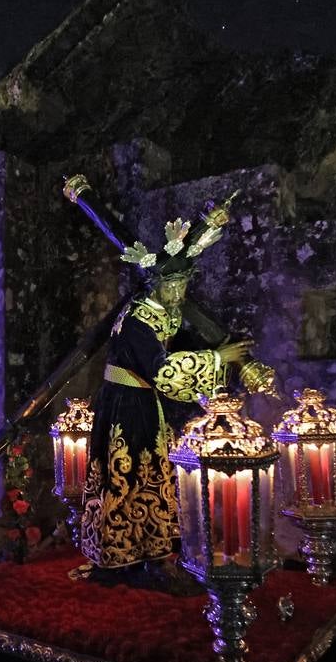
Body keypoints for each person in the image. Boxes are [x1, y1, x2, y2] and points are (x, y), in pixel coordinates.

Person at [81, 204, 252, 571]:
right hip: (126, 406)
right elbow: (162, 370)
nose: (177, 294)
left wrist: (221, 354)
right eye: (171, 287)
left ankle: (151, 549)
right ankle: (122, 555)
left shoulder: (162, 310)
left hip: (141, 402)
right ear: (155, 285)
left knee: (149, 472)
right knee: (127, 474)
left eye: (182, 286)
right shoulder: (138, 321)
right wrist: (218, 358)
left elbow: (179, 343)